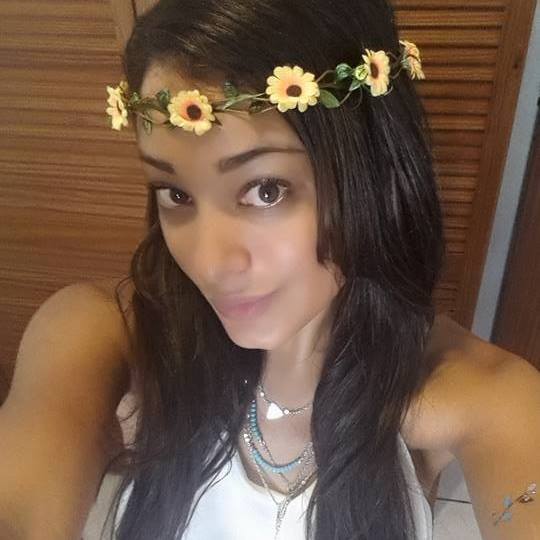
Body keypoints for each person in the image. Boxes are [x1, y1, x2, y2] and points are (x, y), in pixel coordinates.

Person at [1, 0, 538, 539]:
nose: (210, 263)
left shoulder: (469, 393)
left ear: (368, 177)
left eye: (266, 190)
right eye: (176, 193)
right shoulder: (107, 334)